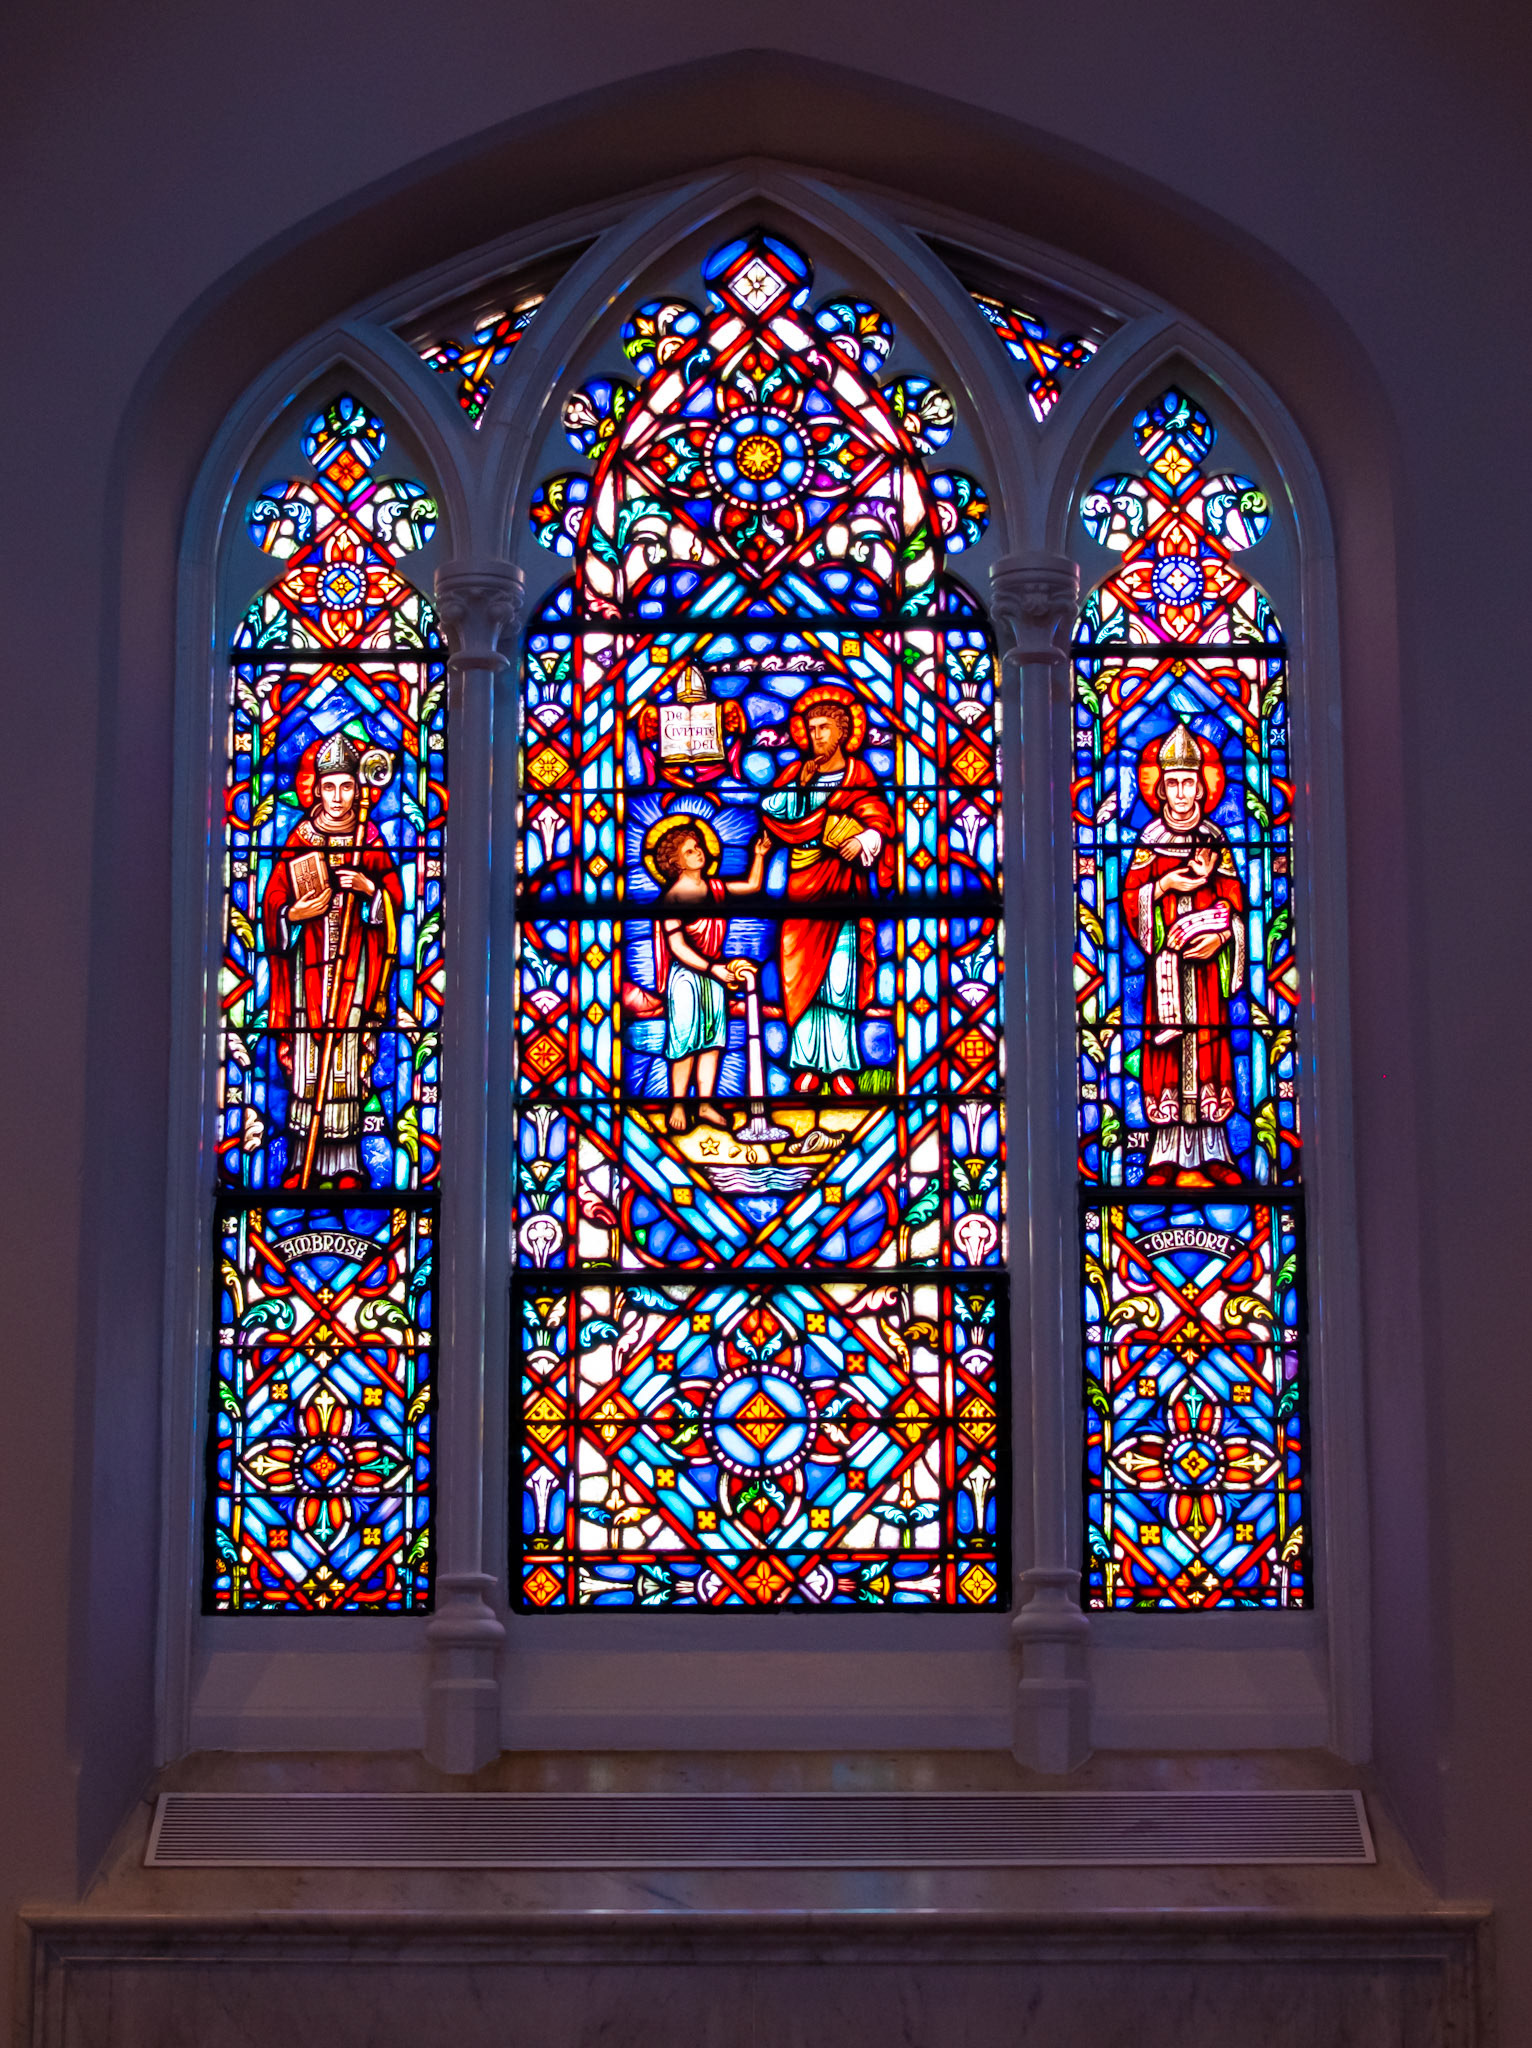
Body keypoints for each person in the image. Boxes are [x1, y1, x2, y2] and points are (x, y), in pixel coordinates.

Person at [262, 731, 402, 1186]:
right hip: (307, 974)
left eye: (346, 787)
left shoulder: (371, 838)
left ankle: (343, 1161)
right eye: (329, 787)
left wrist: (370, 890)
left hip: (356, 969)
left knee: (345, 1058)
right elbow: (273, 903)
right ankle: (303, 1157)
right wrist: (296, 913)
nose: (338, 797)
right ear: (315, 789)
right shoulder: (299, 838)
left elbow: (394, 902)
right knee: (309, 1058)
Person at [1121, 723, 1245, 1186]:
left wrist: (1223, 936)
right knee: (1168, 1055)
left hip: (1208, 972)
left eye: (1188, 781)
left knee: (1209, 1046)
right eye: (1171, 782)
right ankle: (1165, 1154)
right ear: (1160, 787)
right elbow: (1132, 899)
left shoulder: (1215, 839)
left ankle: (1215, 1149)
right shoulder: (1149, 839)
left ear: (1202, 785)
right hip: (1166, 971)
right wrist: (1168, 883)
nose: (1179, 791)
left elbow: (1235, 901)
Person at [757, 683, 895, 1093]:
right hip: (803, 882)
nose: (815, 735)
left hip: (842, 884)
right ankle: (805, 1065)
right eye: (811, 728)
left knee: (840, 976)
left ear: (840, 732)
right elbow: (775, 815)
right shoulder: (797, 773)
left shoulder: (858, 774)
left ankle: (838, 1068)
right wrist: (798, 787)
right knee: (800, 974)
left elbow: (879, 821)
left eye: (823, 728)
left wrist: (863, 840)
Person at [645, 815, 768, 1132]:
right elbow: (678, 947)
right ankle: (678, 1104)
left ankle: (705, 1104)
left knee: (713, 1042)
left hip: (713, 978)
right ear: (675, 862)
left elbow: (753, 885)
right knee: (685, 1042)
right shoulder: (672, 897)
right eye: (688, 851)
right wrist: (713, 968)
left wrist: (759, 855)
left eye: (697, 847)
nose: (698, 852)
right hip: (686, 978)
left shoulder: (714, 887)